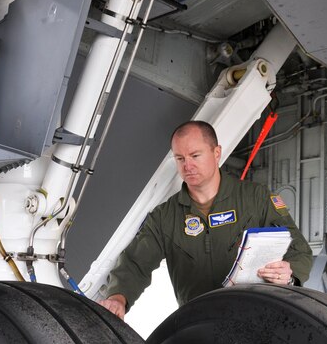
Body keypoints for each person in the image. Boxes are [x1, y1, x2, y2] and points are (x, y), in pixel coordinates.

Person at [99, 120, 313, 320]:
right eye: (180, 158)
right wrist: (118, 298)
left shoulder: (256, 199)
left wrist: (289, 273)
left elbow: (299, 249)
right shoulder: (165, 217)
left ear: (216, 153)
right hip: (199, 327)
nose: (187, 166)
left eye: (195, 155)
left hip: (257, 318)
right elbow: (136, 264)